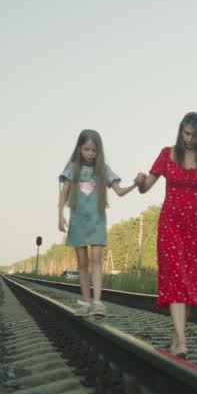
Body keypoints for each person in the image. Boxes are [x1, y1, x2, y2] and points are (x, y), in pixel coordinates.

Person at [134, 112, 197, 357]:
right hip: (170, 224)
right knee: (176, 278)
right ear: (180, 131)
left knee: (190, 283)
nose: (189, 139)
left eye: (194, 135)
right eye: (185, 133)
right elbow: (145, 188)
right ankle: (182, 342)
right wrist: (140, 181)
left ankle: (176, 337)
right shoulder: (167, 154)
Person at [58, 129, 136, 317]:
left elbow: (119, 190)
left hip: (97, 220)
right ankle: (85, 301)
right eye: (86, 149)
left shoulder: (103, 170)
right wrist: (60, 215)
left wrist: (135, 185)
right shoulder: (73, 168)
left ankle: (98, 302)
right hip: (78, 220)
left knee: (97, 260)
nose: (90, 154)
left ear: (99, 151)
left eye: (94, 150)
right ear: (80, 149)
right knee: (82, 263)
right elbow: (64, 193)